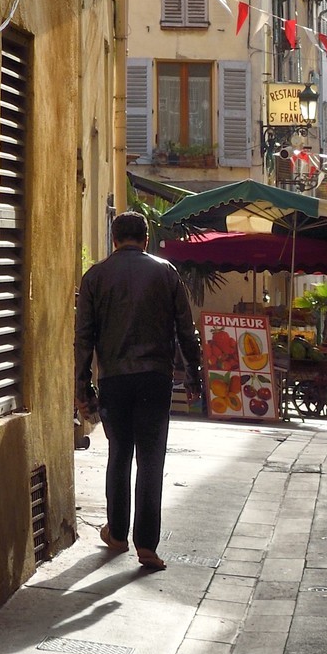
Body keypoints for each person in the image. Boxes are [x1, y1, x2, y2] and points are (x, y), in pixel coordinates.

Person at [74, 210, 203, 572]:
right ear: (146, 239)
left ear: (113, 239)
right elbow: (185, 330)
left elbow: (83, 339)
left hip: (113, 379)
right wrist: (195, 376)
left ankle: (116, 532)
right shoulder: (166, 273)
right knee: (150, 460)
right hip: (154, 379)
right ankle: (146, 546)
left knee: (119, 454)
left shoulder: (95, 277)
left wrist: (82, 387)